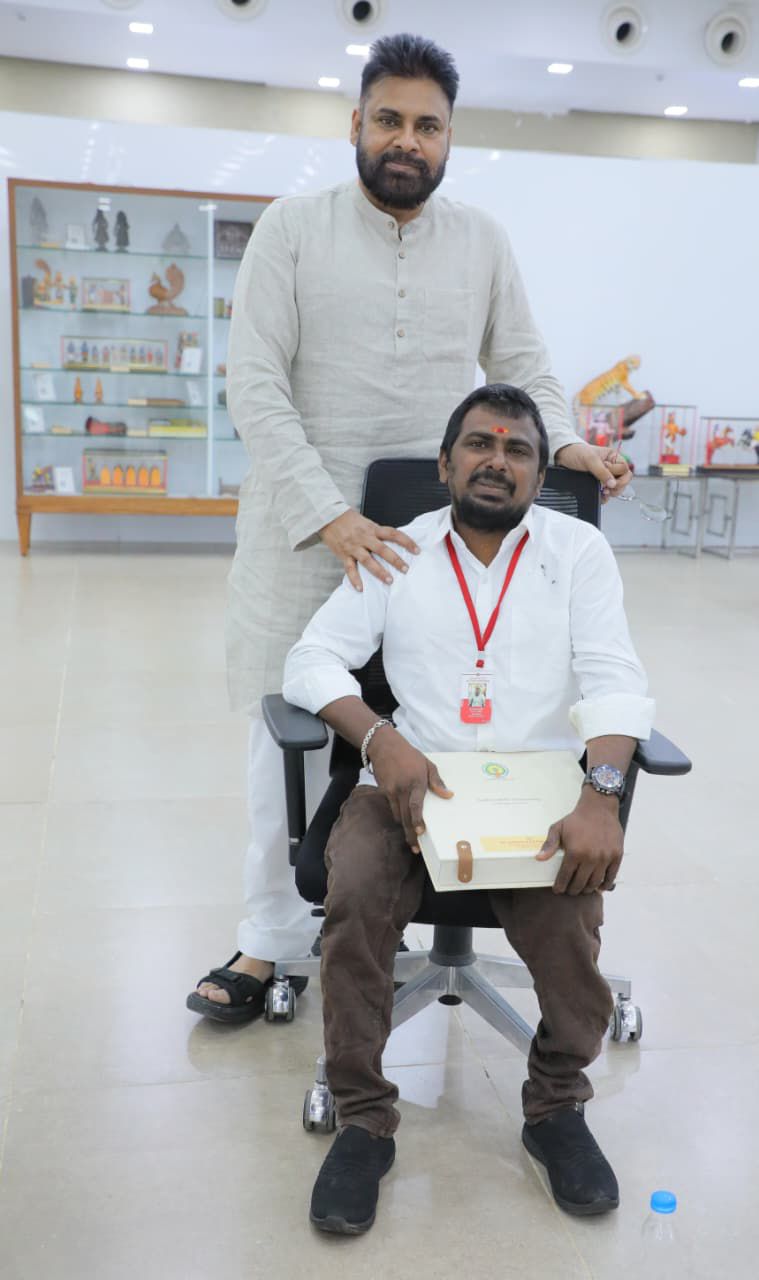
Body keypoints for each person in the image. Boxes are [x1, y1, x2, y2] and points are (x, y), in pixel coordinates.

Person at [187, 33, 632, 1024]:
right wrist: (333, 514)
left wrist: (566, 444)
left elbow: (526, 362)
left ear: (449, 139)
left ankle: (422, 898)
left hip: (439, 538)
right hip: (308, 536)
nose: (407, 139)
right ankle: (269, 937)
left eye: (428, 125)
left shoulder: (481, 241)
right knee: (291, 741)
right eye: (387, 118)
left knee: (455, 722)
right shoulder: (292, 230)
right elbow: (252, 384)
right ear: (355, 124)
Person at [282, 383, 654, 1235]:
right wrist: (380, 740)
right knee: (355, 892)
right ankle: (364, 1120)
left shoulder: (577, 551)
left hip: (534, 784)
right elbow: (312, 661)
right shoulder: (397, 548)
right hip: (406, 779)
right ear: (445, 464)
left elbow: (614, 678)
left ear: (535, 472)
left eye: (517, 448)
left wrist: (600, 795)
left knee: (567, 916)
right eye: (478, 445)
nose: (496, 459)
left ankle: (556, 1107)